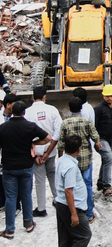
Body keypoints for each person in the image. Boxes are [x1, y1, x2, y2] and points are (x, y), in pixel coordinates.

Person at [0, 100, 51, 238]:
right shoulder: (30, 126)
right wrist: (33, 142)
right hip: (26, 166)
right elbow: (48, 138)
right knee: (26, 195)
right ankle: (28, 224)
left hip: (9, 167)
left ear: (11, 111)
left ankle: (9, 230)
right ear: (24, 112)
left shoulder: (3, 127)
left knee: (10, 197)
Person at [58, 97, 101, 224]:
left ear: (69, 108)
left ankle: (74, 211)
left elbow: (60, 143)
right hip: (86, 158)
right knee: (86, 185)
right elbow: (95, 137)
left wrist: (60, 157)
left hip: (71, 159)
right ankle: (88, 213)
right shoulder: (87, 121)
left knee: (71, 187)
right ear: (81, 108)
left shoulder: (65, 123)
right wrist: (98, 144)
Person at [25, 86, 61, 216]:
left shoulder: (28, 112)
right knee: (52, 174)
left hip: (35, 152)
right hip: (50, 150)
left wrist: (36, 154)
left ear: (32, 97)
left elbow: (26, 136)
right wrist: (47, 153)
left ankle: (41, 208)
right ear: (45, 97)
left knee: (39, 179)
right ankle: (58, 200)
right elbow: (57, 133)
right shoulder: (52, 110)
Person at [55, 134, 92, 247]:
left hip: (62, 204)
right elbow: (68, 191)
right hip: (72, 207)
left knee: (66, 238)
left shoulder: (61, 160)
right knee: (84, 235)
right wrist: (74, 214)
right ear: (79, 149)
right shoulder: (71, 167)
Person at [92, 84, 112, 199]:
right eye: (107, 96)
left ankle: (101, 182)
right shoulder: (98, 109)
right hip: (101, 139)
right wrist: (95, 140)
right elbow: (93, 125)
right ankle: (106, 186)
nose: (109, 98)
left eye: (111, 96)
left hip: (111, 139)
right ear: (103, 96)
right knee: (109, 158)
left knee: (106, 160)